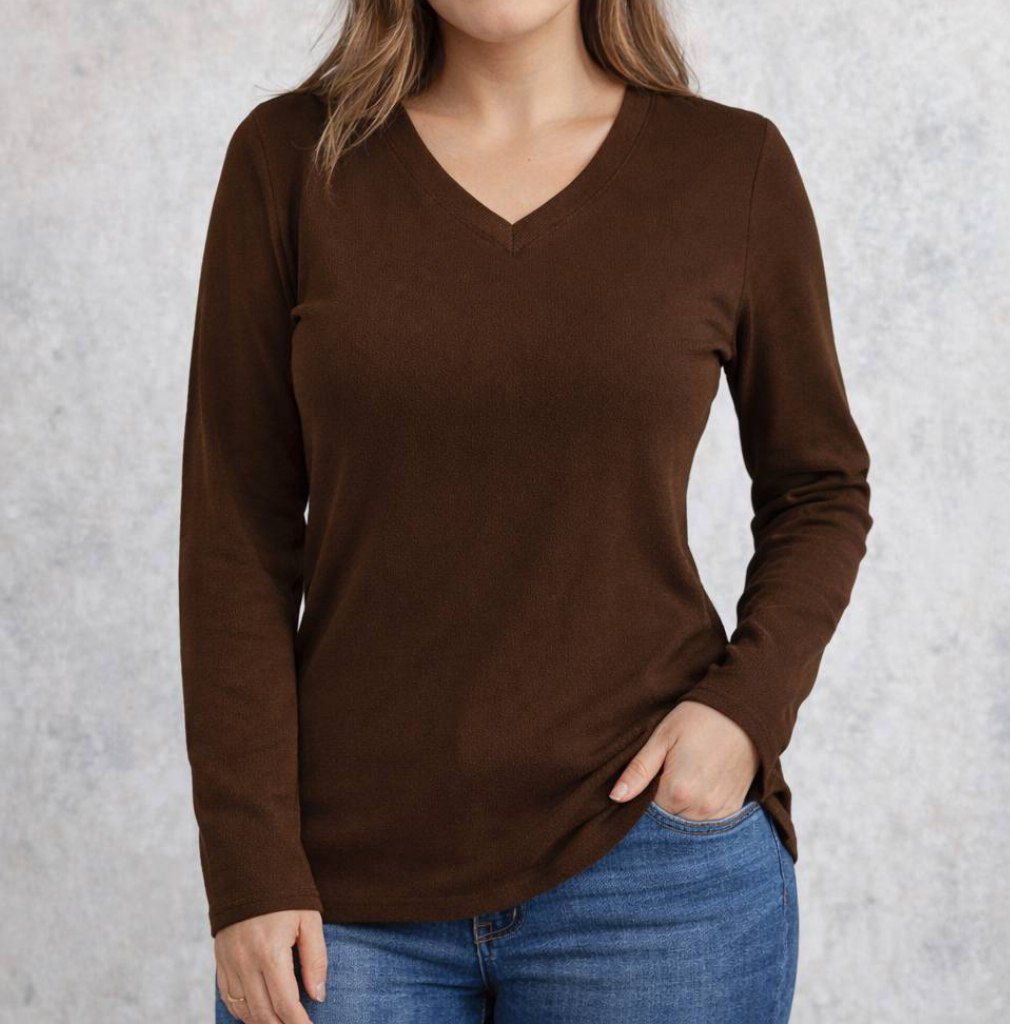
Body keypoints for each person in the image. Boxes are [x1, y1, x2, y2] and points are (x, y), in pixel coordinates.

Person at [179, 2, 872, 1021]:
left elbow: (820, 487)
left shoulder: (729, 168)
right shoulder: (290, 159)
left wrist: (743, 712)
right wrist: (249, 864)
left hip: (652, 875)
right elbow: (234, 535)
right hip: (339, 895)